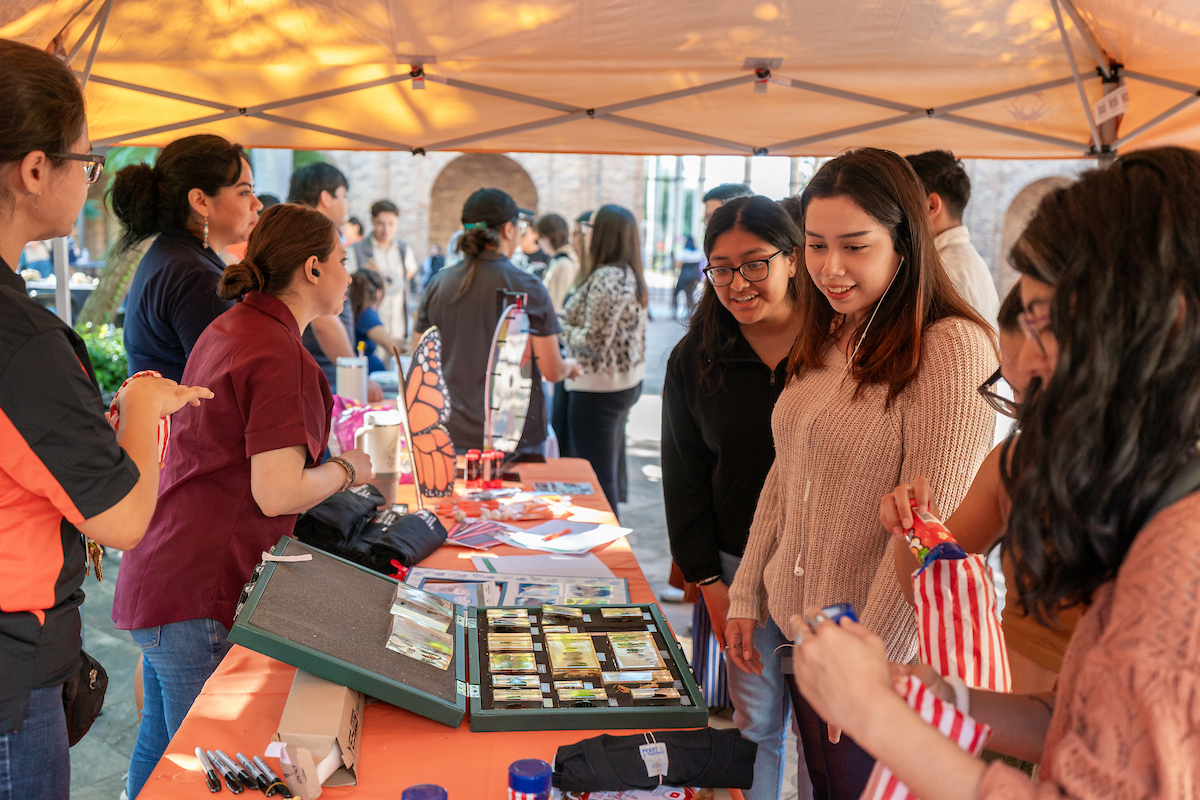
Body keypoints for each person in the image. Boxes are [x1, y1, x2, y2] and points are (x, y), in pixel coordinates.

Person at [790, 146, 1200, 800]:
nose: (1036, 417)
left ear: (1160, 326)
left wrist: (875, 713)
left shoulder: (1178, 564)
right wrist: (937, 693)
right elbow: (1077, 721)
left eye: (1048, 333)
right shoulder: (1146, 499)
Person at [725, 148, 996, 800]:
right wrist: (746, 594)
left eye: (855, 246)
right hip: (809, 640)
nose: (830, 268)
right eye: (816, 245)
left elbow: (931, 536)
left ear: (905, 241)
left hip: (881, 660)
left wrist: (869, 670)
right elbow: (785, 471)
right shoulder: (831, 331)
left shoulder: (951, 347)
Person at [0, 38, 212, 800]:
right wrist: (145, 409)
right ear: (34, 170)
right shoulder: (22, 341)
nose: (90, 179)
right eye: (85, 161)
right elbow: (120, 518)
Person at [113, 203, 374, 799]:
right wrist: (347, 470)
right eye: (342, 260)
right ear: (312, 268)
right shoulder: (278, 351)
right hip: (200, 585)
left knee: (162, 747)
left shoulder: (233, 326)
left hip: (166, 569)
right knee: (209, 770)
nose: (350, 274)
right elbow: (277, 490)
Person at [662, 196, 810, 800]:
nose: (737, 284)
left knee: (830, 730)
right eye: (721, 269)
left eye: (754, 264)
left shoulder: (839, 349)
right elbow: (684, 479)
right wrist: (710, 583)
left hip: (827, 567)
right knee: (757, 726)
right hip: (735, 563)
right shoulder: (695, 359)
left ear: (794, 259)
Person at [880, 285, 1081, 698]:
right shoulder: (1017, 461)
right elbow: (930, 585)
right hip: (1008, 716)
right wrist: (914, 526)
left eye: (1042, 395)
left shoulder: (1163, 493)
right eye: (1016, 395)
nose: (1031, 421)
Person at [416, 188, 579, 457]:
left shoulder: (437, 284)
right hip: (515, 437)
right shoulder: (529, 286)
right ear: (508, 230)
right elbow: (552, 370)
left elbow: (420, 359)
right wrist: (570, 367)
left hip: (448, 434)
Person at [113, 134, 263, 382]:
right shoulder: (197, 276)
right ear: (201, 201)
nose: (257, 204)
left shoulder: (172, 254)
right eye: (244, 191)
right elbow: (224, 387)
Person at [559, 204, 649, 518]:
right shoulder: (626, 273)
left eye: (591, 227)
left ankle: (604, 539)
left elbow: (594, 343)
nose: (586, 234)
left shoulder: (608, 276)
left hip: (599, 389)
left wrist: (558, 327)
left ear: (605, 234)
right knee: (602, 473)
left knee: (596, 479)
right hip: (617, 385)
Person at [288, 163, 382, 401]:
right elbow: (324, 320)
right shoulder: (310, 239)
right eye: (344, 195)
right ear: (326, 198)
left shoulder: (299, 236)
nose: (347, 205)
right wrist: (357, 375)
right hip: (322, 379)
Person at [905, 150, 1000, 323]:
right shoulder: (966, 260)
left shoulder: (944, 269)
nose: (897, 215)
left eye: (903, 203)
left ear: (931, 206)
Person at [352, 200, 419, 342]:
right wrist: (363, 276)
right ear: (372, 221)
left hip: (399, 331)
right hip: (369, 333)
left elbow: (410, 275)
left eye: (391, 223)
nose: (386, 229)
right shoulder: (356, 250)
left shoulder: (404, 249)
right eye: (380, 223)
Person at [350, 268, 400, 373]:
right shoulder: (367, 315)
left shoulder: (352, 310)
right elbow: (392, 348)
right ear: (378, 294)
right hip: (369, 374)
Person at [538, 213, 577, 313]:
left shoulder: (563, 264)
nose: (539, 241)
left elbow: (558, 307)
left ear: (550, 236)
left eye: (541, 236)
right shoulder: (558, 261)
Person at [672, 234, 704, 320]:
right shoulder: (698, 252)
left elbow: (678, 265)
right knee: (690, 294)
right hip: (695, 275)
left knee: (676, 292)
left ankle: (675, 311)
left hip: (684, 275)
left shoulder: (682, 252)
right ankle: (690, 312)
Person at [513, 210, 550, 277]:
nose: (519, 237)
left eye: (523, 233)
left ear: (535, 234)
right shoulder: (512, 258)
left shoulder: (547, 259)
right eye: (517, 233)